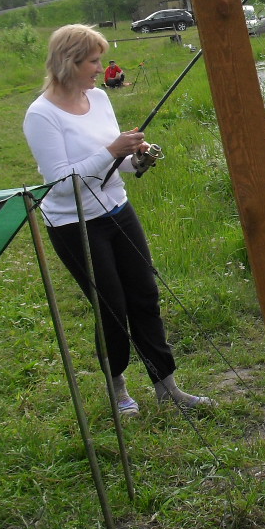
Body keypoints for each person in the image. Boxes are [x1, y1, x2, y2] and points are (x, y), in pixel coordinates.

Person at [23, 24, 211, 416]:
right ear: (68, 62)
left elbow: (114, 165)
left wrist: (136, 158)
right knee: (111, 307)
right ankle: (118, 387)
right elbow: (60, 185)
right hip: (75, 225)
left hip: (118, 212)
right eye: (93, 61)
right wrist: (112, 150)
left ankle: (167, 387)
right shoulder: (41, 115)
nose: (99, 68)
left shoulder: (99, 99)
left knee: (145, 295)